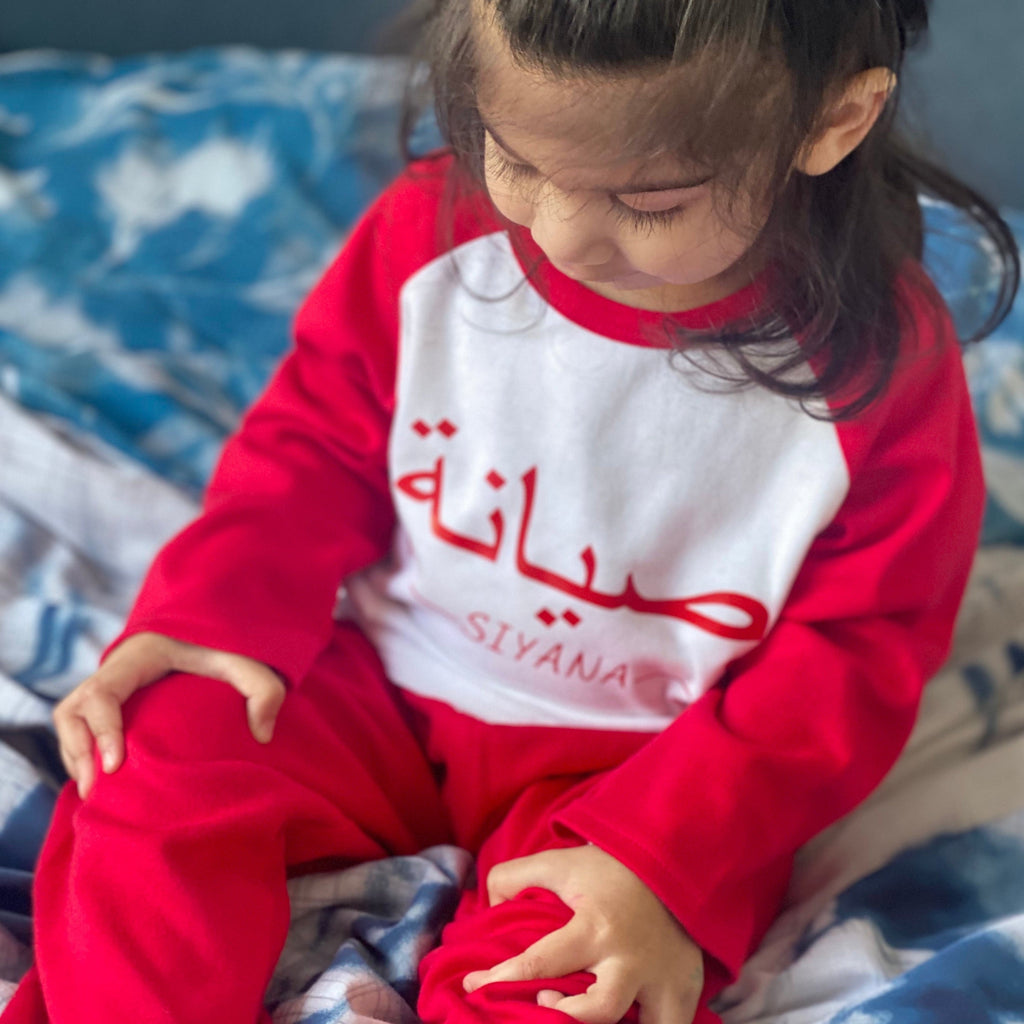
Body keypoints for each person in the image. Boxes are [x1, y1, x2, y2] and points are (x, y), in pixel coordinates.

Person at [4, 1, 1019, 1022]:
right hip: (385, 687)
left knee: (587, 985)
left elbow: (855, 649)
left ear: (832, 123)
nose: (561, 234)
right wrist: (211, 616)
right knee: (154, 748)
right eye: (517, 161)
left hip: (646, 774)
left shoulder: (880, 365)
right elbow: (314, 445)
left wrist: (661, 854)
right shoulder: (427, 233)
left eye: (650, 200)